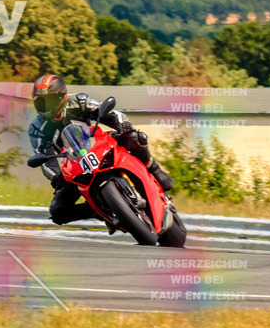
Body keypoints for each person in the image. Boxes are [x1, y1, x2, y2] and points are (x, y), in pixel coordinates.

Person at [28, 73, 174, 226]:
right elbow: (44, 158)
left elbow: (107, 112)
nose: (45, 106)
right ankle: (99, 211)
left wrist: (120, 123)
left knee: (136, 137)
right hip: (75, 164)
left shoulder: (80, 101)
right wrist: (57, 177)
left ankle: (154, 169)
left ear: (61, 97)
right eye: (41, 102)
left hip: (98, 144)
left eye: (49, 101)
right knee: (58, 211)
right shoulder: (37, 129)